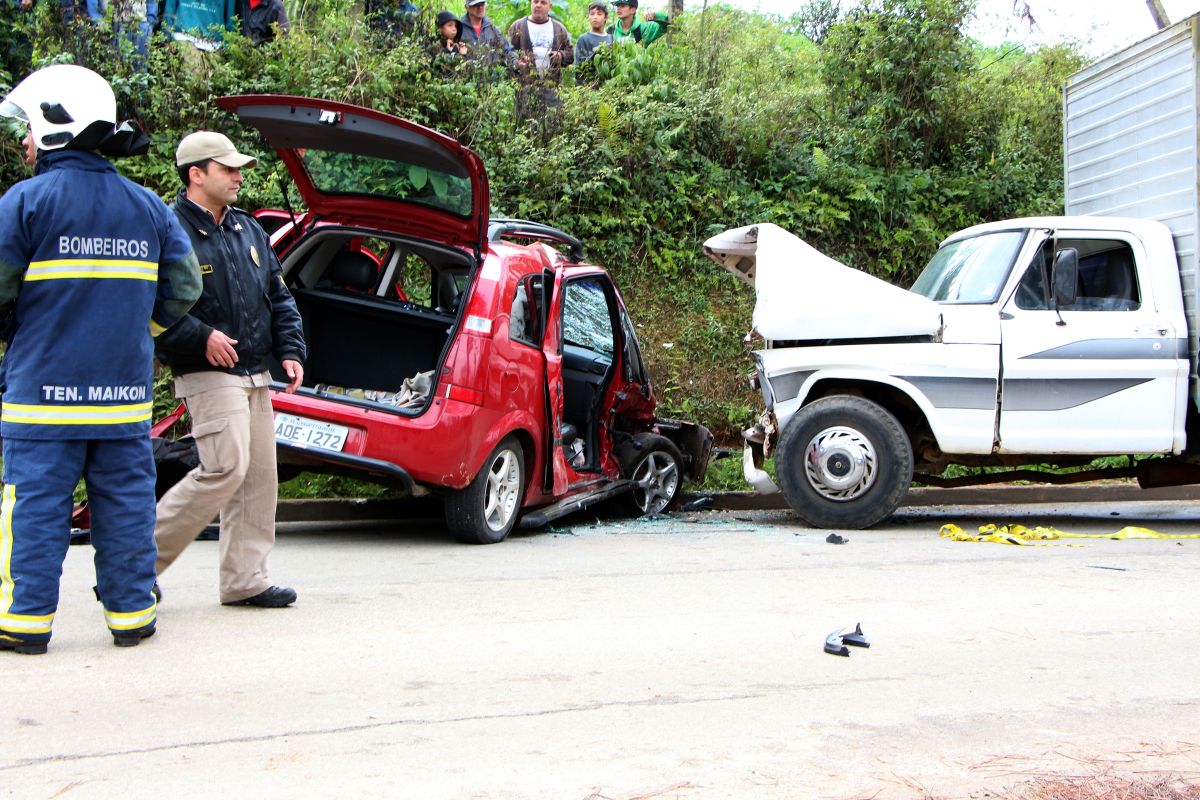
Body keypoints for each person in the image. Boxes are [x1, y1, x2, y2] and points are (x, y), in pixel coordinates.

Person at [0, 65, 202, 656]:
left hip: (42, 400)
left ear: (55, 123)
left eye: (28, 128)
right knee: (126, 510)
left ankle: (23, 623)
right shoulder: (148, 207)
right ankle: (132, 615)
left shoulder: (24, 202)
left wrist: (17, 331)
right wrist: (139, 331)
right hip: (122, 400)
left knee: (34, 511)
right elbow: (185, 288)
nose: (23, 141)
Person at [153, 131, 306, 609]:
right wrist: (200, 336)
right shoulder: (168, 230)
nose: (239, 177)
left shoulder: (248, 228)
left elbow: (279, 296)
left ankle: (245, 580)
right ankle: (133, 564)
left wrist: (291, 349)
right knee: (225, 467)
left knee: (260, 476)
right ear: (196, 174)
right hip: (206, 370)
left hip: (255, 371)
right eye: (228, 168)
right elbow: (151, 306)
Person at [508, 0, 572, 79]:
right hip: (524, 82)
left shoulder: (559, 29)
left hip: (552, 82)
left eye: (543, 2)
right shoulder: (517, 27)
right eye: (535, 2)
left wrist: (561, 56)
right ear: (531, 4)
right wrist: (518, 62)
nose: (538, 5)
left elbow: (570, 55)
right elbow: (508, 52)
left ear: (550, 7)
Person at [458, 0, 514, 69]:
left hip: (493, 74)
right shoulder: (458, 30)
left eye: (482, 4)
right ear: (467, 7)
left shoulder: (492, 29)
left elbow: (507, 49)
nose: (480, 7)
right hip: (468, 74)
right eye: (476, 5)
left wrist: (516, 63)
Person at [162, 0, 236, 50]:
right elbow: (231, 20)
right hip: (183, 40)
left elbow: (169, 10)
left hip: (212, 45)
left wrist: (165, 38)